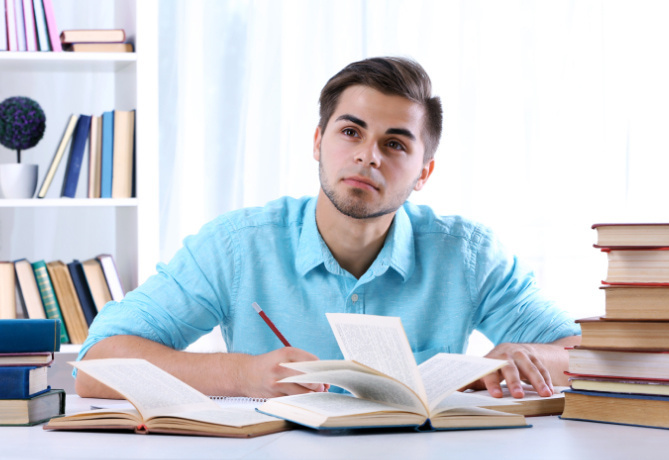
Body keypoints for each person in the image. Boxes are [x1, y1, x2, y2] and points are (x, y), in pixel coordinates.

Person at [75, 56, 581, 400]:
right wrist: (243, 374)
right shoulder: (236, 246)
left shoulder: (468, 254)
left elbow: (593, 358)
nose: (367, 155)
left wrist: (526, 355)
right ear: (318, 142)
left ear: (424, 172)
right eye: (350, 132)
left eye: (396, 144)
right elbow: (96, 364)